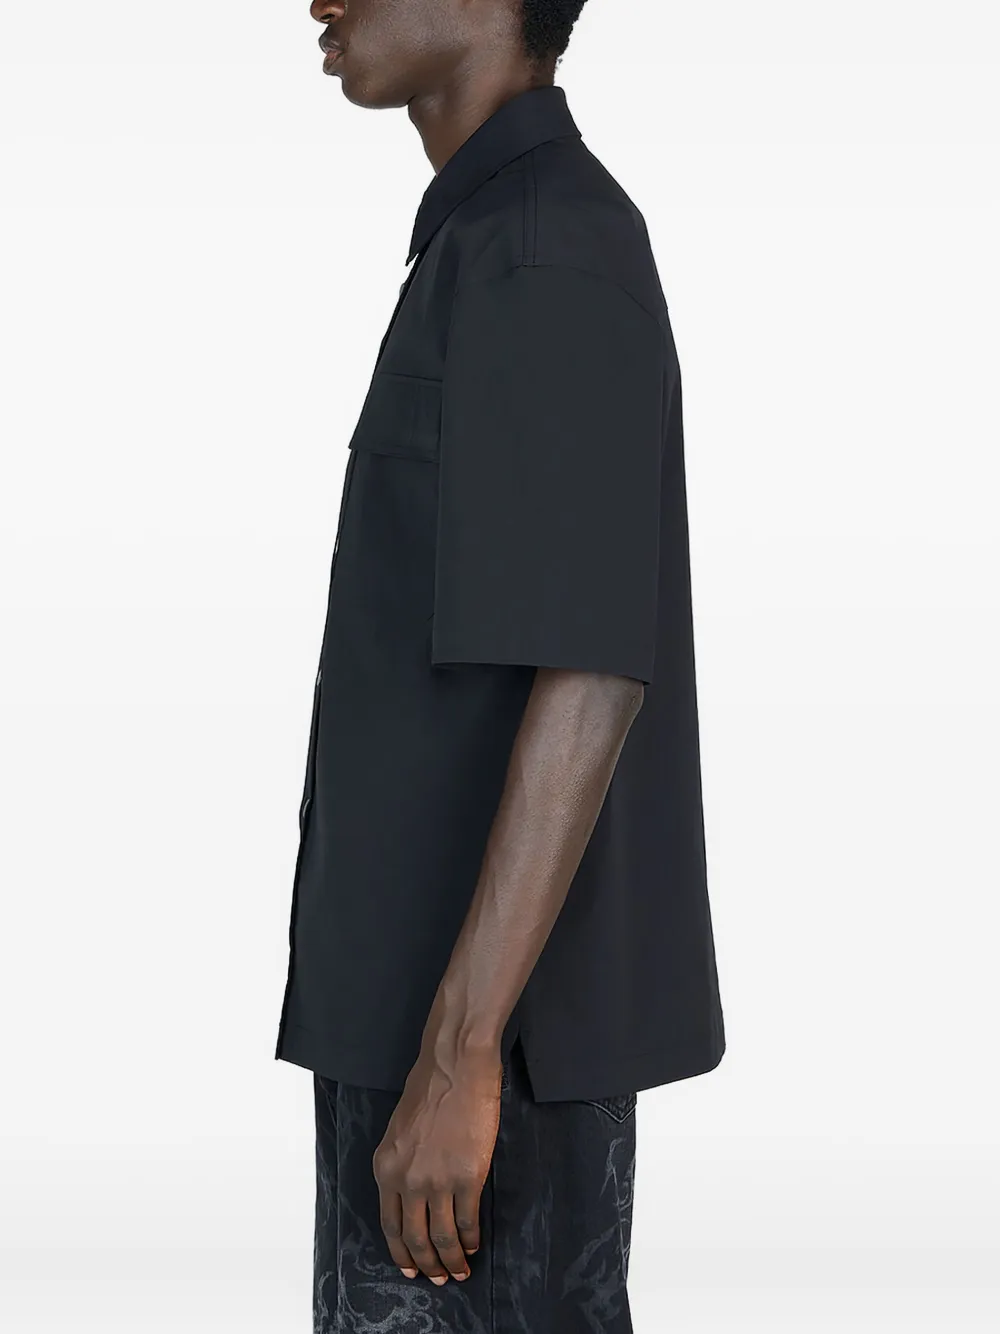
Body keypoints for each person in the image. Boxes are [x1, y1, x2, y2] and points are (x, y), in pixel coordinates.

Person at [275, 0, 725, 1328]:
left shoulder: (548, 245)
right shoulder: (489, 240)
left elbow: (589, 668)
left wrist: (460, 1058)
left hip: (487, 1063)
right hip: (431, 1033)